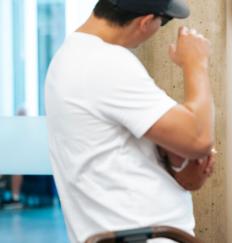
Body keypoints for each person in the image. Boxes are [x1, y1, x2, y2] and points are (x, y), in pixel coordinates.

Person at [45, 0, 215, 242]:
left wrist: (177, 157)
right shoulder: (105, 62)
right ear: (145, 22)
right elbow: (199, 138)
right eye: (163, 21)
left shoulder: (71, 56)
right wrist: (196, 63)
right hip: (142, 234)